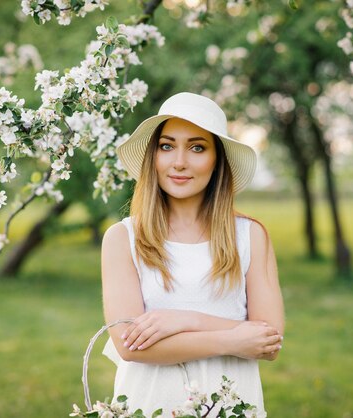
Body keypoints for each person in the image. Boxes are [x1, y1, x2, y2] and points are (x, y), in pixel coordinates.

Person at [101, 92, 284, 416]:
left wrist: (183, 319)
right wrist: (232, 340)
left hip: (230, 405)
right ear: (153, 156)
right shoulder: (123, 238)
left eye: (197, 147)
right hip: (151, 402)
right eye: (167, 146)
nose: (179, 162)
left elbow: (268, 341)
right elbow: (129, 346)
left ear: (217, 160)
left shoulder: (250, 236)